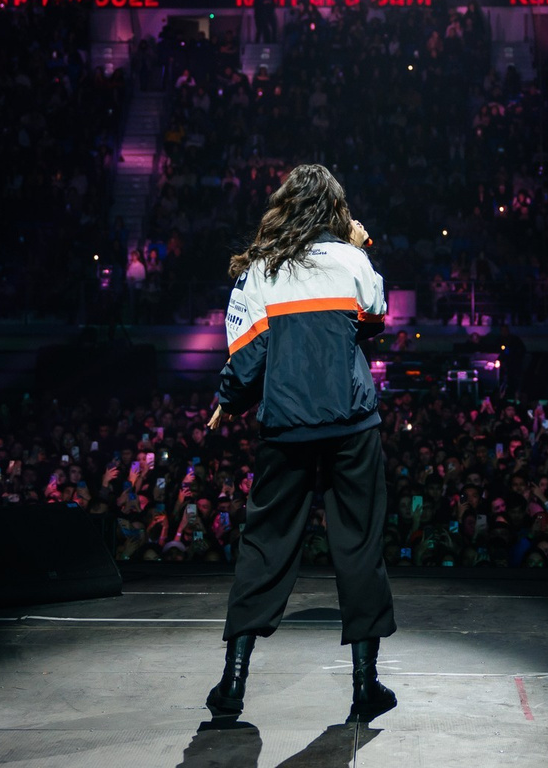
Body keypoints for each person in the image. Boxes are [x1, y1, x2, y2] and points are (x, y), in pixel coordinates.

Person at [202, 164, 397, 724]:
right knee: (359, 546)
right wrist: (360, 249)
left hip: (287, 426)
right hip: (351, 425)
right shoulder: (352, 261)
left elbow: (247, 359)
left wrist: (228, 399)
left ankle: (232, 683)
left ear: (285, 206)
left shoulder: (262, 270)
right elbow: (374, 321)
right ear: (335, 208)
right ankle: (365, 686)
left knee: (265, 545)